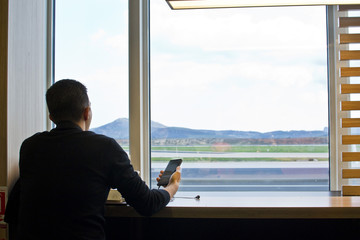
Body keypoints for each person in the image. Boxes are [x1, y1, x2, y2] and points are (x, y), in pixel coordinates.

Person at [13, 79, 181, 240]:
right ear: (87, 112)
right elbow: (147, 204)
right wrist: (173, 186)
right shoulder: (104, 147)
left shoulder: (29, 146)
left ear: (51, 117)